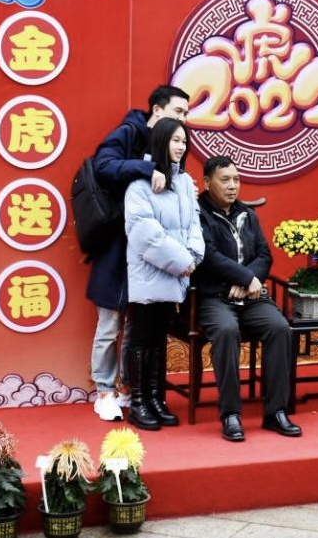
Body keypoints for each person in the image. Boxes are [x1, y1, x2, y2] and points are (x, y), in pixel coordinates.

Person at [87, 85, 189, 422]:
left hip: (148, 256)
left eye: (186, 115)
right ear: (157, 110)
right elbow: (104, 166)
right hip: (116, 245)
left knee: (137, 324)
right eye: (178, 111)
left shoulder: (173, 147)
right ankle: (104, 391)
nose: (183, 120)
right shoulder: (129, 132)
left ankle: (129, 389)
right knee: (110, 322)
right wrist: (146, 169)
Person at [192, 156, 302, 441]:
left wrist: (248, 280)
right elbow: (207, 255)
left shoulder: (247, 214)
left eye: (236, 180)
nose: (232, 186)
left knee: (280, 328)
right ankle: (231, 414)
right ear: (207, 182)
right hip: (214, 297)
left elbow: (264, 255)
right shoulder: (196, 213)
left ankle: (275, 412)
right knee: (227, 331)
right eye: (225, 180)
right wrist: (245, 278)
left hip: (251, 296)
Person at [123, 117, 204, 431]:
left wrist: (193, 256)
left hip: (176, 275)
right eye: (175, 140)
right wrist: (182, 261)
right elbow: (145, 234)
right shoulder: (139, 186)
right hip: (149, 274)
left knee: (159, 338)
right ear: (160, 141)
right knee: (142, 338)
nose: (181, 147)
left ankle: (157, 399)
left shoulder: (184, 182)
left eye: (184, 141)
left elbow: (194, 224)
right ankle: (139, 402)